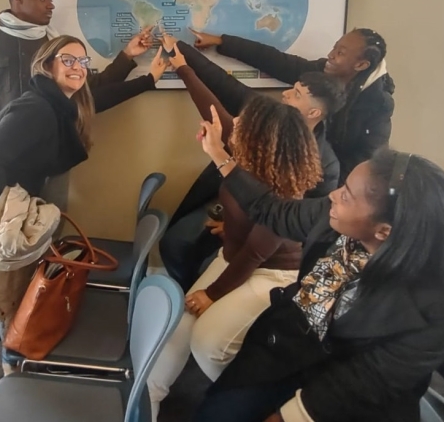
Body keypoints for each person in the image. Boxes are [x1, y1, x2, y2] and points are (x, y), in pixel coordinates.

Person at [0, 36, 167, 422]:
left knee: (10, 308)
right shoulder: (35, 108)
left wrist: (147, 78)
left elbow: (97, 97)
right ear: (47, 64)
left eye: (82, 60)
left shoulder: (58, 105)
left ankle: (15, 378)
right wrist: (8, 220)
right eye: (67, 59)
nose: (77, 66)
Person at [192, 114, 444, 422]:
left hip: (351, 400)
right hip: (291, 351)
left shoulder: (437, 310)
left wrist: (285, 417)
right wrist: (220, 156)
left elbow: (359, 385)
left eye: (346, 195)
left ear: (383, 231)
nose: (333, 195)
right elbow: (272, 210)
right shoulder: (334, 218)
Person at [0, 0, 162, 340]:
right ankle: (8, 323)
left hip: (42, 172)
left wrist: (129, 58)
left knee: (35, 254)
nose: (51, 4)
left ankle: (22, 323)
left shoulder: (56, 50)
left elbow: (88, 92)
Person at [147, 56, 322, 420]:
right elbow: (214, 112)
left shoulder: (285, 187)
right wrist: (183, 67)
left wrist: (212, 294)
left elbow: (257, 253)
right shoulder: (246, 154)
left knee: (208, 342)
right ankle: (145, 401)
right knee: (176, 328)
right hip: (235, 257)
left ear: (260, 140)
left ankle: (247, 403)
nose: (235, 121)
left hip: (270, 273)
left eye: (243, 122)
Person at [158, 34, 345, 291]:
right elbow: (221, 116)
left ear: (314, 113)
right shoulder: (268, 122)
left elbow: (287, 229)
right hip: (237, 214)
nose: (285, 94)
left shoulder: (323, 164)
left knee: (203, 280)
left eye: (297, 94)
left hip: (270, 253)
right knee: (176, 243)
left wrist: (211, 293)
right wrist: (183, 67)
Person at [190, 27, 394, 182]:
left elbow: (364, 162)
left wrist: (324, 191)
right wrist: (222, 42)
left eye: (340, 53)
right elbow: (277, 61)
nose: (331, 55)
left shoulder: (378, 107)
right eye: (334, 47)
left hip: (314, 185)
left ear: (361, 65)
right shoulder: (325, 71)